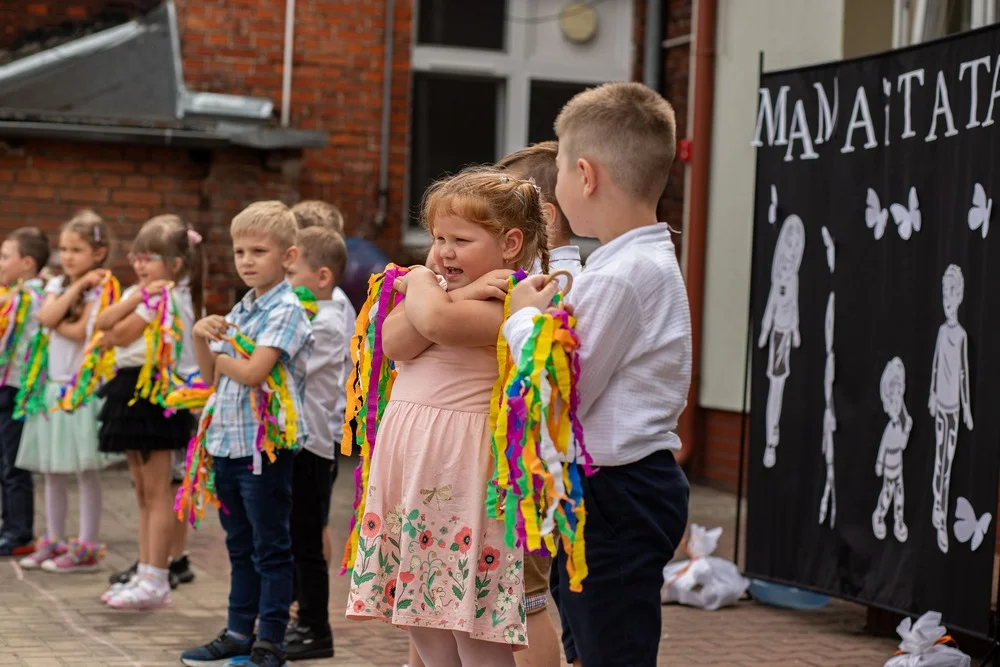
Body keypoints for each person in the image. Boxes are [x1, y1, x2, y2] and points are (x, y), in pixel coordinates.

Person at [503, 82, 691, 667]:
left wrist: (522, 319)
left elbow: (557, 388)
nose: (554, 185)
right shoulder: (632, 262)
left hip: (618, 493)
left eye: (557, 167)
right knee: (592, 638)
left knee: (611, 646)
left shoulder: (619, 277)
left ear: (584, 175)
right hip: (618, 490)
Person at [346, 167, 549, 667]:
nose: (443, 252)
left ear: (510, 244)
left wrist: (419, 282)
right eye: (438, 239)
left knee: (468, 619)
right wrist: (445, 291)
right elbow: (396, 342)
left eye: (461, 239)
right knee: (418, 612)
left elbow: (435, 324)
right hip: (413, 463)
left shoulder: (513, 300)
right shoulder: (441, 291)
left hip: (462, 466)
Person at [180, 201, 313, 667]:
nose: (248, 260)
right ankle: (239, 631)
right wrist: (201, 336)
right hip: (227, 445)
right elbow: (210, 375)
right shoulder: (244, 306)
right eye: (240, 251)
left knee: (270, 548)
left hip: (265, 449)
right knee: (239, 545)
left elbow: (255, 371)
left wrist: (219, 358)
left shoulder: (288, 309)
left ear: (289, 257)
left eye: (259, 250)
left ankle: (269, 642)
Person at [496, 140, 583, 667]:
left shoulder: (552, 285)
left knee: (527, 601)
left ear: (542, 220)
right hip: (535, 463)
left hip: (534, 467)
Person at [93, 215, 203, 609]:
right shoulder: (148, 295)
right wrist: (136, 297)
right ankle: (146, 571)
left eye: (150, 258)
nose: (140, 265)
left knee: (157, 493)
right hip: (134, 391)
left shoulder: (168, 296)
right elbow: (101, 324)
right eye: (137, 256)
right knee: (143, 491)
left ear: (175, 264)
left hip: (155, 396)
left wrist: (134, 303)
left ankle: (157, 577)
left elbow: (117, 333)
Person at [17, 211, 118, 572]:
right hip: (51, 389)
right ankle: (54, 540)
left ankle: (87, 545)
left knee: (85, 472)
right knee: (51, 471)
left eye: (77, 249)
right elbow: (45, 319)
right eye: (64, 249)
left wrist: (58, 317)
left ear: (99, 253)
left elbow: (80, 334)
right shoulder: (59, 285)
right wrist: (74, 288)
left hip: (81, 393)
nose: (69, 257)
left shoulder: (105, 289)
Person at [283, 226, 350, 660]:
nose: (287, 284)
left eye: (292, 275)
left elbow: (290, 364)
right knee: (294, 536)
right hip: (297, 440)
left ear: (322, 277)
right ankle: (298, 618)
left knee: (307, 541)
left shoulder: (326, 322)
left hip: (313, 444)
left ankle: (315, 629)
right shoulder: (311, 315)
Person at [0, 228, 50, 557]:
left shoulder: (25, 297)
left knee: (13, 465)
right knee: (5, 461)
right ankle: (11, 527)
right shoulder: (15, 294)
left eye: (5, 257)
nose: (0, 262)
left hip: (17, 387)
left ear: (27, 263)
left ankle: (19, 533)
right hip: (8, 383)